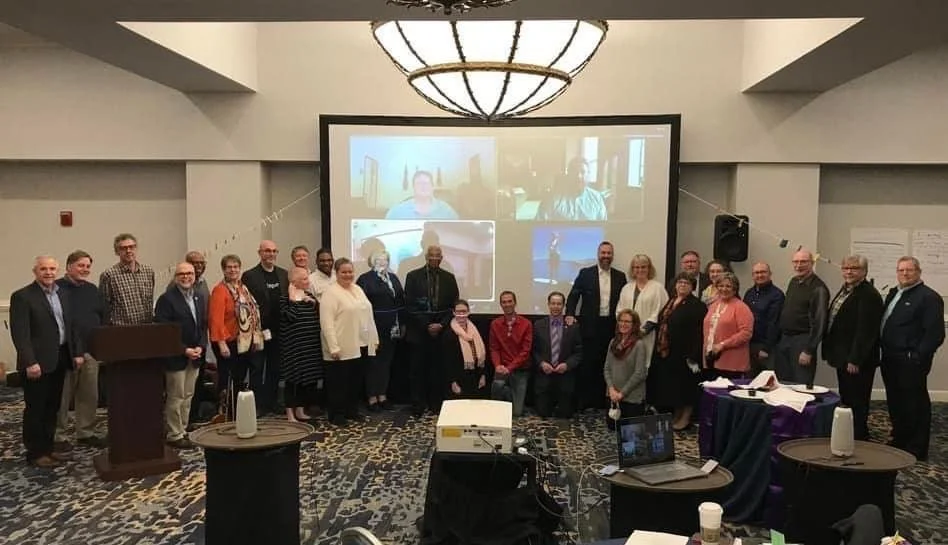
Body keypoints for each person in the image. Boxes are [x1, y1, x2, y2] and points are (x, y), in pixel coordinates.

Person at [10, 256, 84, 467]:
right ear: (35, 271)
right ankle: (35, 453)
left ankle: (49, 448)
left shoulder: (64, 294)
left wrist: (76, 352)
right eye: (44, 269)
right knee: (36, 408)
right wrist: (29, 362)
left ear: (57, 271)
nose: (48, 273)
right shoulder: (23, 296)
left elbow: (71, 326)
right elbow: (20, 334)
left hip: (60, 358)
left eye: (52, 269)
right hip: (36, 363)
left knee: (53, 407)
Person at [880, 256, 945, 461]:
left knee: (914, 403)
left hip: (911, 360)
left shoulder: (929, 297)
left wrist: (917, 356)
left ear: (919, 272)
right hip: (890, 357)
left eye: (909, 270)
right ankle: (900, 438)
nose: (905, 274)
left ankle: (916, 447)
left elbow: (935, 334)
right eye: (901, 270)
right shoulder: (895, 293)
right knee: (896, 401)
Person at [822, 255, 884, 440]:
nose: (849, 272)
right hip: (843, 356)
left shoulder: (868, 295)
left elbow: (866, 331)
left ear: (864, 271)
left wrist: (855, 359)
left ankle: (859, 438)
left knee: (857, 401)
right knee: (847, 397)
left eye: (854, 268)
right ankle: (849, 435)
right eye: (846, 268)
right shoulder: (846, 289)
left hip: (856, 360)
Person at [54, 250, 107, 452]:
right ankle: (59, 436)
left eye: (87, 266)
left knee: (89, 394)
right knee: (62, 396)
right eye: (80, 265)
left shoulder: (92, 290)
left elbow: (102, 316)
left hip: (90, 351)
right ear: (69, 266)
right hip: (66, 351)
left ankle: (85, 432)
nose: (85, 269)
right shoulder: (56, 289)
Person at [566, 241, 626, 410]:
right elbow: (573, 295)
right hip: (590, 325)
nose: (606, 256)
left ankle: (602, 401)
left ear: (612, 255)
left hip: (611, 326)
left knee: (607, 364)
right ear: (598, 255)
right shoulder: (586, 273)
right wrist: (570, 314)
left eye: (609, 253)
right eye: (603, 253)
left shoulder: (620, 276)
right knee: (588, 364)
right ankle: (585, 401)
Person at [320, 258, 379, 426]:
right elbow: (326, 323)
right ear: (336, 273)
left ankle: (351, 411)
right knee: (338, 383)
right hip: (340, 346)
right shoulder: (330, 293)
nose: (348, 275)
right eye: (343, 272)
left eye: (350, 271)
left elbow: (368, 315)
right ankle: (336, 414)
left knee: (355, 381)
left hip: (360, 344)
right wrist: (333, 347)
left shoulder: (358, 289)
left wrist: (374, 339)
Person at [154, 262, 207, 449]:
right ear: (176, 277)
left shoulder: (199, 297)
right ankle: (174, 434)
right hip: (176, 357)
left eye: (190, 273)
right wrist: (184, 350)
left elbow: (202, 326)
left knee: (188, 395)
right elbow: (164, 332)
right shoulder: (166, 300)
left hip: (195, 356)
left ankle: (183, 430)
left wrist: (201, 346)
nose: (186, 277)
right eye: (182, 274)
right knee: (176, 396)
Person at [404, 245, 460, 416]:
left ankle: (436, 404)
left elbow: (454, 305)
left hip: (441, 332)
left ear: (441, 258)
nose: (434, 258)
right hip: (419, 331)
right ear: (426, 257)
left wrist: (441, 325)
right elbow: (409, 305)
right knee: (417, 371)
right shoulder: (412, 276)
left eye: (438, 255)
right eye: (431, 255)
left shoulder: (449, 278)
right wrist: (427, 325)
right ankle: (418, 405)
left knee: (438, 370)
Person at [647, 273, 707, 431]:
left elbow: (699, 333)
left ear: (692, 287)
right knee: (675, 388)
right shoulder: (672, 301)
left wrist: (693, 356)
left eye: (686, 283)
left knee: (686, 387)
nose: (682, 285)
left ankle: (686, 417)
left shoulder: (697, 305)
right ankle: (677, 414)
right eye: (680, 282)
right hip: (669, 351)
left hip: (685, 353)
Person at [209, 254, 265, 419]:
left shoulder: (242, 288)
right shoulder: (220, 290)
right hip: (227, 343)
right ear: (223, 270)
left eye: (235, 267)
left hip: (242, 342)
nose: (233, 270)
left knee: (239, 380)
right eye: (229, 267)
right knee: (228, 381)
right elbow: (215, 320)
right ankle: (225, 415)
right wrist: (222, 344)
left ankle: (237, 415)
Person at [241, 240, 289, 415]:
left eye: (274, 251)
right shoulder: (249, 276)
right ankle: (258, 405)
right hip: (258, 331)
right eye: (267, 251)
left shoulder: (283, 274)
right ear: (260, 253)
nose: (271, 254)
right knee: (257, 368)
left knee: (275, 368)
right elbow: (245, 304)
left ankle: (273, 401)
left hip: (279, 331)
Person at [357, 250, 407, 411]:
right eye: (379, 259)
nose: (382, 262)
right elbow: (360, 306)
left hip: (391, 328)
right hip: (373, 327)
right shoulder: (365, 279)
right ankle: (372, 397)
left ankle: (382, 395)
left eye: (385, 259)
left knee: (386, 362)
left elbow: (400, 302)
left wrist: (402, 324)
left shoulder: (393, 278)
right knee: (373, 363)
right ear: (372, 262)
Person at [775, 249, 829, 385]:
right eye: (796, 262)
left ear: (812, 263)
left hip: (803, 341)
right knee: (783, 383)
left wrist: (809, 350)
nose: (799, 265)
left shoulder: (819, 288)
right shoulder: (794, 282)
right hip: (785, 339)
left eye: (803, 262)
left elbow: (820, 322)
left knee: (801, 385)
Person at [280, 267, 323, 423]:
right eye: (304, 279)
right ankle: (290, 413)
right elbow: (290, 317)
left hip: (310, 346)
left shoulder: (309, 296)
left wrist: (315, 303)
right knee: (293, 380)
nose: (308, 281)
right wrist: (293, 300)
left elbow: (320, 316)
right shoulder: (284, 299)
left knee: (307, 380)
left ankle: (300, 409)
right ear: (293, 282)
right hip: (294, 348)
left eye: (307, 278)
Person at [533, 292, 583, 418]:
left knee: (565, 414)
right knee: (543, 413)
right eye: (553, 303)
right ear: (548, 304)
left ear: (563, 305)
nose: (556, 306)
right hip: (545, 376)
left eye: (559, 304)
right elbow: (534, 350)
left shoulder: (573, 326)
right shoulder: (538, 325)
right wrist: (541, 363)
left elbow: (578, 352)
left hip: (565, 376)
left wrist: (567, 365)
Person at [616, 254, 669, 367]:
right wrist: (626, 329)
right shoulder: (626, 288)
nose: (640, 270)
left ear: (649, 268)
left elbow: (659, 313)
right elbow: (620, 311)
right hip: (626, 335)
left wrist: (641, 332)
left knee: (644, 365)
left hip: (648, 335)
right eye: (637, 267)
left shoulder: (657, 288)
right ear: (633, 269)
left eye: (643, 267)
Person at [489, 290, 533, 416]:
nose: (507, 304)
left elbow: (525, 351)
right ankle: (508, 394)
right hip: (502, 369)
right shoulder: (495, 324)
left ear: (515, 303)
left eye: (510, 301)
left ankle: (512, 397)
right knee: (496, 409)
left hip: (520, 370)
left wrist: (510, 368)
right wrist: (497, 365)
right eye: (504, 302)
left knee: (517, 412)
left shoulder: (526, 324)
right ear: (500, 304)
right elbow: (494, 348)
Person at [702, 272, 754, 379]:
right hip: (711, 360)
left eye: (728, 286)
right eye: (721, 286)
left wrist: (723, 344)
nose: (724, 289)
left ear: (735, 289)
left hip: (731, 363)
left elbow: (746, 333)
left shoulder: (741, 307)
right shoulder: (713, 305)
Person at [604, 309, 649, 430]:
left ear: (634, 325)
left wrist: (622, 393)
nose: (623, 324)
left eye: (627, 321)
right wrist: (611, 389)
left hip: (631, 400)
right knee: (613, 429)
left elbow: (640, 373)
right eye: (621, 321)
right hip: (613, 396)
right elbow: (607, 368)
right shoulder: (613, 342)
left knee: (630, 435)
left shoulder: (639, 345)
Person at [99, 233, 156, 327]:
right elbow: (104, 307)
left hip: (146, 328)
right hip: (121, 330)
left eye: (131, 247)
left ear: (136, 248)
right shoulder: (109, 275)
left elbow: (150, 300)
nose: (128, 251)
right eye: (123, 248)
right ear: (117, 252)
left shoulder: (148, 272)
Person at [743, 261, 784, 376]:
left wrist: (766, 348)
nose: (760, 275)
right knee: (749, 381)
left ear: (770, 274)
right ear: (752, 275)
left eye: (763, 272)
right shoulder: (749, 293)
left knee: (767, 380)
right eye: (756, 273)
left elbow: (774, 323)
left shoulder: (777, 295)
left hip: (766, 347)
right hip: (749, 345)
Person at [536, 157, 607, 221]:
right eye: (575, 172)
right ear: (568, 174)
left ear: (588, 174)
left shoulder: (597, 198)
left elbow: (604, 227)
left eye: (583, 172)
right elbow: (540, 226)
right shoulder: (552, 198)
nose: (579, 176)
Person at [442, 299, 488, 399]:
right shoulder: (448, 334)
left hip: (475, 377)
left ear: (468, 312)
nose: (461, 314)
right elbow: (447, 361)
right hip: (458, 381)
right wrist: (453, 382)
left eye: (464, 311)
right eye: (458, 311)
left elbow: (481, 354)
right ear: (453, 313)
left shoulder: (475, 330)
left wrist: (483, 375)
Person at [385, 170, 460, 220]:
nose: (423, 186)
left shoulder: (446, 210)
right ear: (413, 187)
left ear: (432, 187)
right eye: (419, 183)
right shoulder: (398, 211)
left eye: (426, 183)